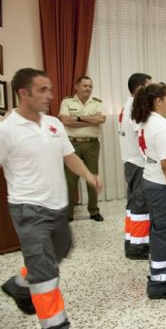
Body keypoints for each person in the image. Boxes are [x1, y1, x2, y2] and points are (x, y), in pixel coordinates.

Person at [0, 68, 102, 329]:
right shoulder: (6, 130)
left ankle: (20, 284)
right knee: (45, 272)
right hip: (27, 209)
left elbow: (68, 156)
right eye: (43, 90)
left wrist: (89, 175)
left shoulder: (54, 124)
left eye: (50, 89)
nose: (50, 95)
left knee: (61, 249)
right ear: (24, 93)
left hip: (57, 207)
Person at [132, 83, 166, 299]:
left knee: (158, 231)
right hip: (164, 186)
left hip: (152, 182)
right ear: (158, 101)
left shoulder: (146, 122)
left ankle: (158, 274)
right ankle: (160, 285)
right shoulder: (161, 126)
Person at [59, 76, 106, 222]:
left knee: (92, 177)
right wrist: (89, 120)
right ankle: (68, 214)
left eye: (90, 86)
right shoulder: (67, 101)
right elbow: (65, 121)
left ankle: (93, 211)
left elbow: (101, 119)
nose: (88, 89)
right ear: (77, 87)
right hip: (72, 145)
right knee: (70, 180)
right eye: (85, 86)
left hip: (92, 144)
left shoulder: (97, 103)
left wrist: (77, 119)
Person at [118, 73, 152, 260]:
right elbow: (142, 137)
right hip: (138, 162)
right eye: (149, 86)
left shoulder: (127, 104)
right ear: (140, 88)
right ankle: (138, 247)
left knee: (133, 204)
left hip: (130, 161)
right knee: (140, 203)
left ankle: (131, 240)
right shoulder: (134, 107)